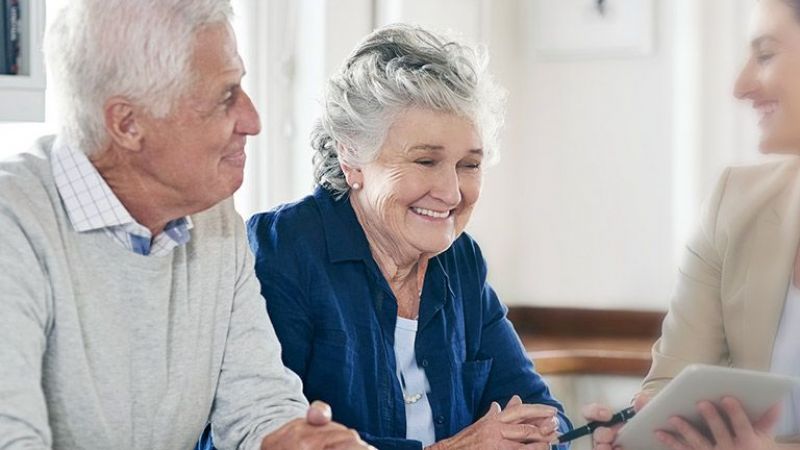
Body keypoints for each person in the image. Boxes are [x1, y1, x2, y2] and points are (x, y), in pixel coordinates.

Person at [0, 1, 372, 449]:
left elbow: (258, 405)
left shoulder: (211, 216)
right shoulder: (14, 224)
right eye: (224, 97)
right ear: (128, 124)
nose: (253, 121)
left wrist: (299, 440)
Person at [245, 24, 573, 450]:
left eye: (469, 165)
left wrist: (542, 437)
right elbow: (260, 441)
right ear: (352, 157)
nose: (452, 193)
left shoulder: (461, 260)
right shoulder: (284, 250)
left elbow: (544, 415)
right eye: (425, 160)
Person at [592, 0, 800, 448]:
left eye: (765, 54)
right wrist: (637, 433)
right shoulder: (734, 202)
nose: (740, 86)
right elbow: (668, 388)